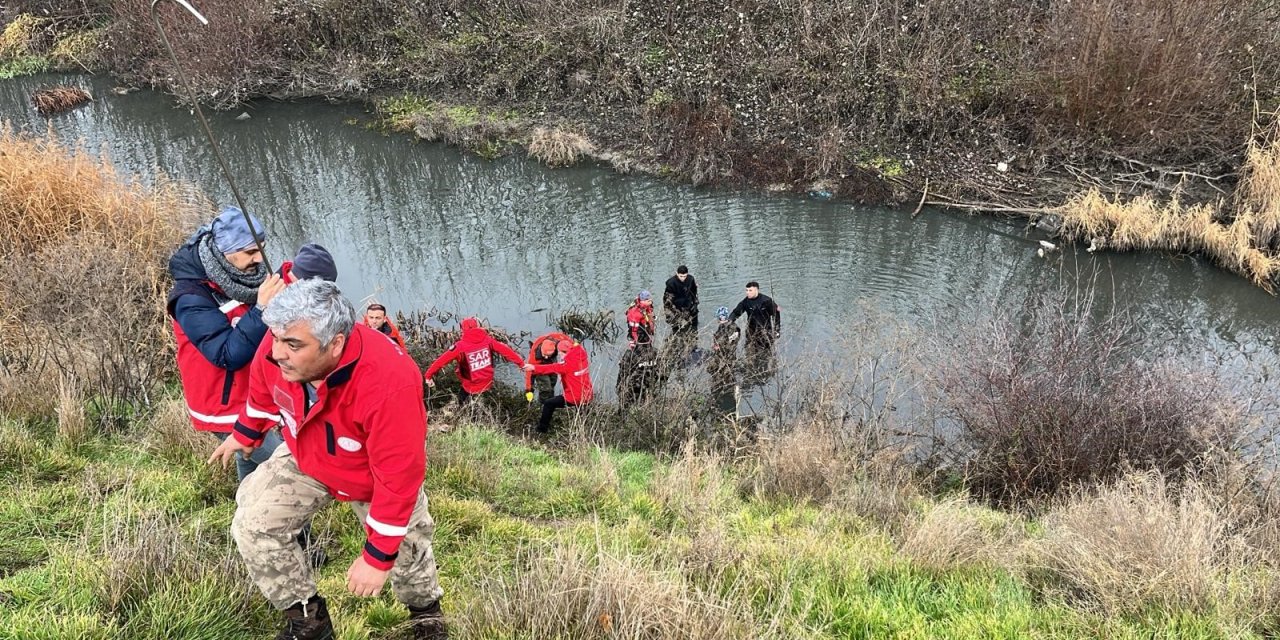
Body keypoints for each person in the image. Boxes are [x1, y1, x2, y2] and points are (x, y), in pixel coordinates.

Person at [210, 280, 446, 640]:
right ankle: (309, 620)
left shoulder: (390, 383)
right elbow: (262, 391)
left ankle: (425, 615)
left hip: (371, 476)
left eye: (293, 345)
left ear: (335, 343)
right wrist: (246, 432)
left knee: (407, 554)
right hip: (308, 453)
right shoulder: (276, 348)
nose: (276, 353)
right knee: (254, 523)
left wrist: (375, 557)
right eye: (275, 338)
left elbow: (399, 477)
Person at [167, 205, 285, 482]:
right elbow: (225, 354)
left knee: (253, 465)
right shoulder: (190, 298)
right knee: (285, 466)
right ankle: (283, 525)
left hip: (253, 395)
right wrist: (262, 308)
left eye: (262, 249)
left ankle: (248, 516)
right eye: (250, 252)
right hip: (222, 405)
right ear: (225, 250)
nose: (259, 259)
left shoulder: (243, 277)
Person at [424, 317, 526, 401]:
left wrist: (428, 376)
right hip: (487, 382)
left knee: (461, 401)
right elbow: (507, 351)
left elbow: (441, 361)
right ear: (478, 327)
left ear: (462, 330)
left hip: (470, 386)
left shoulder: (459, 347)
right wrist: (521, 364)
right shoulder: (488, 340)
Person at [525, 339, 593, 433]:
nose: (559, 355)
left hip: (574, 397)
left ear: (564, 352)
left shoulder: (567, 364)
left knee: (549, 404)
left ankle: (541, 430)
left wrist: (534, 367)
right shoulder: (582, 357)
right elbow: (575, 345)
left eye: (560, 353)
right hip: (588, 394)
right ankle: (584, 429)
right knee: (582, 410)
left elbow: (552, 368)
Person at [728, 281, 781, 353]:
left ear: (756, 290)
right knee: (749, 352)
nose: (747, 292)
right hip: (751, 331)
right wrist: (729, 322)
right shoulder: (745, 302)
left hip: (765, 331)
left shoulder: (767, 301)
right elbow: (736, 313)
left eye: (750, 290)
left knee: (766, 354)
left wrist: (776, 330)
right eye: (746, 290)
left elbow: (776, 315)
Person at [525, 331, 570, 405]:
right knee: (546, 388)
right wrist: (529, 391)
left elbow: (565, 339)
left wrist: (575, 345)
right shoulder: (534, 358)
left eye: (548, 355)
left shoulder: (557, 340)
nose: (546, 357)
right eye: (544, 354)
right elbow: (529, 374)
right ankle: (543, 405)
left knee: (553, 382)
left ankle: (551, 403)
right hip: (539, 366)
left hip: (552, 362)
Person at [662, 265, 699, 337]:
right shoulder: (671, 283)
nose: (683, 278)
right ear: (677, 274)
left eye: (685, 276)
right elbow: (667, 300)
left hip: (688, 304)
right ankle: (676, 340)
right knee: (676, 327)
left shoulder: (690, 279)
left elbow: (694, 291)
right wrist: (673, 312)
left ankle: (694, 339)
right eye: (681, 276)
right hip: (676, 306)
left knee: (694, 323)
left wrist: (695, 303)